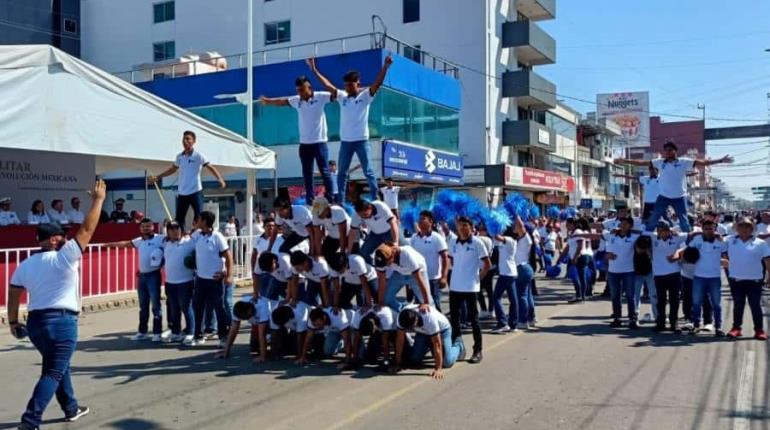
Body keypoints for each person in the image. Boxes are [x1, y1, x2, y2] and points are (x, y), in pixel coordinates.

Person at [8, 179, 105, 429]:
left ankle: (71, 408)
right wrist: (98, 200)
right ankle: (30, 421)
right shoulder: (64, 257)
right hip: (61, 322)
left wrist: (12, 321)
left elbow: (13, 292)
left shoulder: (26, 263)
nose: (65, 238)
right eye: (61, 235)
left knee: (58, 365)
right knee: (52, 372)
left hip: (36, 324)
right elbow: (87, 230)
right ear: (52, 239)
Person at [307, 54, 394, 203]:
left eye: (350, 85)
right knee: (342, 173)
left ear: (357, 83)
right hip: (346, 142)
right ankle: (340, 201)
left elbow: (377, 83)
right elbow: (328, 86)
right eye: (346, 85)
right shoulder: (342, 96)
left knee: (368, 171)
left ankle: (375, 199)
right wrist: (315, 70)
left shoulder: (366, 96)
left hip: (361, 140)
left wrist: (385, 67)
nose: (347, 88)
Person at [615, 141, 733, 232]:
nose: (668, 152)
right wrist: (623, 160)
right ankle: (647, 235)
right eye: (666, 151)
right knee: (654, 217)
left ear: (675, 151)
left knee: (684, 221)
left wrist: (720, 160)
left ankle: (688, 238)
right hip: (663, 196)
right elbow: (641, 163)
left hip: (679, 197)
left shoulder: (683, 161)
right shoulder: (660, 162)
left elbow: (703, 163)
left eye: (671, 150)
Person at [259, 69, 335, 203]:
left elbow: (335, 94)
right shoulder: (297, 100)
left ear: (309, 88)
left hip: (319, 142)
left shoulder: (320, 96)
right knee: (307, 173)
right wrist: (267, 101)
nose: (300, 93)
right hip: (304, 144)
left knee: (324, 171)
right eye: (298, 90)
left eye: (302, 90)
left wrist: (316, 71)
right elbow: (282, 101)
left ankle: (330, 197)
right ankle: (310, 199)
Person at [148, 131, 227, 229]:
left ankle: (198, 235)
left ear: (194, 141)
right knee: (179, 219)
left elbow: (210, 167)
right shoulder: (179, 157)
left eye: (188, 139)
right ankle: (180, 238)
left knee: (199, 216)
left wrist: (220, 179)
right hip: (182, 192)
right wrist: (159, 176)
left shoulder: (199, 155)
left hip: (195, 191)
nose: (185, 141)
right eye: (184, 139)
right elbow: (172, 169)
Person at [105, 219, 166, 341]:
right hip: (142, 277)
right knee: (143, 306)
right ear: (140, 229)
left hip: (153, 276)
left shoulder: (160, 239)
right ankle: (142, 332)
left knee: (155, 306)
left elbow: (171, 242)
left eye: (148, 226)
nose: (145, 228)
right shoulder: (139, 241)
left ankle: (157, 333)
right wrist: (109, 244)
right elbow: (125, 243)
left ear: (152, 227)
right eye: (143, 227)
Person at [448, 216, 491, 364]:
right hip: (455, 286)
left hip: (471, 287)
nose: (462, 228)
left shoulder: (477, 243)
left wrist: (478, 277)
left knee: (474, 320)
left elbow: (487, 264)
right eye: (460, 225)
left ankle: (477, 350)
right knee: (455, 319)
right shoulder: (452, 242)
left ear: (471, 227)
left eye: (465, 225)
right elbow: (450, 260)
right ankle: (459, 347)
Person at [192, 211, 234, 346]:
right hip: (200, 279)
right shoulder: (197, 235)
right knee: (198, 307)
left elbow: (228, 256)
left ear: (204, 221)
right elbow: (185, 238)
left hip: (215, 280)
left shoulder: (217, 237)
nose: (197, 221)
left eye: (199, 219)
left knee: (219, 307)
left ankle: (223, 336)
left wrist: (228, 275)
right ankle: (198, 335)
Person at [724, 218, 770, 340]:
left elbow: (767, 261)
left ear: (752, 229)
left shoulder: (760, 243)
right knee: (738, 305)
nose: (744, 229)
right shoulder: (729, 241)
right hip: (736, 280)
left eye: (747, 226)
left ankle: (759, 330)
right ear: (736, 228)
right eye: (741, 226)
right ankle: (736, 328)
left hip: (755, 281)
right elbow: (714, 244)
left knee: (755, 305)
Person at [678, 219, 726, 336]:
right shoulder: (696, 240)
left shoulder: (720, 241)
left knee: (716, 304)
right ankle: (696, 325)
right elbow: (687, 251)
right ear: (702, 229)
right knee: (696, 303)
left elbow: (726, 253)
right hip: (699, 276)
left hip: (714, 277)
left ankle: (718, 327)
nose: (709, 231)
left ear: (715, 228)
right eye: (706, 228)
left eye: (711, 228)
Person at [392, 305, 465, 380]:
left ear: (416, 318)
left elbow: (437, 344)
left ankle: (458, 345)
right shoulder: (401, 318)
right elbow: (399, 341)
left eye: (412, 326)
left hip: (442, 330)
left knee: (447, 362)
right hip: (422, 333)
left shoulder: (429, 317)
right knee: (414, 359)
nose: (411, 328)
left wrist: (438, 368)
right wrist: (398, 363)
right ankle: (429, 345)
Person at [645, 222, 687, 332]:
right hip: (659, 275)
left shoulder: (677, 237)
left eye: (662, 230)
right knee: (661, 300)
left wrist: (678, 255)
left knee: (674, 300)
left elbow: (694, 234)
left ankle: (674, 323)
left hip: (674, 274)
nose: (659, 232)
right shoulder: (653, 237)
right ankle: (661, 322)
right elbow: (640, 231)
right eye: (658, 230)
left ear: (668, 230)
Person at [162, 220, 197, 345]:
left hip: (185, 281)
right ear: (168, 231)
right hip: (170, 282)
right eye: (172, 229)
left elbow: (199, 234)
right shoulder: (165, 243)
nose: (175, 231)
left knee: (186, 308)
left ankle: (191, 332)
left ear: (181, 230)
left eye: (177, 228)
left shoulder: (189, 242)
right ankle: (176, 332)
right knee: (174, 308)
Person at [407, 211, 449, 312]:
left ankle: (439, 327)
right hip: (418, 278)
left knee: (434, 306)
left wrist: (444, 277)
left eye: (423, 219)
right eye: (419, 219)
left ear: (431, 222)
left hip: (433, 280)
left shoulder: (437, 238)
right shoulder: (414, 238)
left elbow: (445, 258)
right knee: (420, 307)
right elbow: (410, 258)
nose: (420, 221)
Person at [373, 242, 434, 312]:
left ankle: (435, 316)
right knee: (386, 299)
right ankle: (403, 312)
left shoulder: (406, 254)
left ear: (392, 255)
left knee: (427, 302)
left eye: (387, 263)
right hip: (399, 273)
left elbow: (419, 279)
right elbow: (381, 281)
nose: (386, 266)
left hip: (417, 272)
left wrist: (426, 303)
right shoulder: (379, 256)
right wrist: (380, 302)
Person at [604, 217, 641, 329]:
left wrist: (633, 231)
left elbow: (644, 232)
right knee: (615, 296)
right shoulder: (612, 235)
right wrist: (608, 256)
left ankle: (632, 319)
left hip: (628, 270)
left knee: (630, 296)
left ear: (630, 226)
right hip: (613, 271)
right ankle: (617, 318)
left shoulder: (634, 236)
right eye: (621, 223)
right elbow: (607, 252)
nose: (622, 226)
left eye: (626, 224)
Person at [216, 294, 272, 362]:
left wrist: (262, 356)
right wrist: (226, 351)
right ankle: (267, 340)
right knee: (254, 349)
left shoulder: (262, 307)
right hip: (256, 324)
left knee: (277, 348)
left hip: (271, 323)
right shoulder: (238, 308)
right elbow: (233, 330)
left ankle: (271, 338)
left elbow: (261, 333)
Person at [349, 199, 400, 264]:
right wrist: (349, 252)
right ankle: (375, 268)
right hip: (375, 234)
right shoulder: (356, 215)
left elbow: (393, 222)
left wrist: (396, 242)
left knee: (396, 252)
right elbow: (352, 233)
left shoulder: (380, 206)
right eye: (361, 216)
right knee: (363, 253)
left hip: (390, 231)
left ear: (371, 207)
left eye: (365, 214)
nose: (364, 218)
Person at [492, 226, 518, 333]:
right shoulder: (504, 243)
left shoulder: (510, 241)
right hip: (508, 273)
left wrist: (491, 226)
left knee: (496, 297)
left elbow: (497, 237)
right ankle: (513, 324)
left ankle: (503, 323)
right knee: (513, 299)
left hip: (506, 274)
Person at [251, 217, 278, 297]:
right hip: (262, 272)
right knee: (263, 296)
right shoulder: (258, 239)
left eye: (273, 226)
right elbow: (254, 256)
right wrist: (253, 270)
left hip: (275, 273)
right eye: (268, 225)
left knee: (274, 297)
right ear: (264, 227)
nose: (271, 227)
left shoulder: (279, 238)